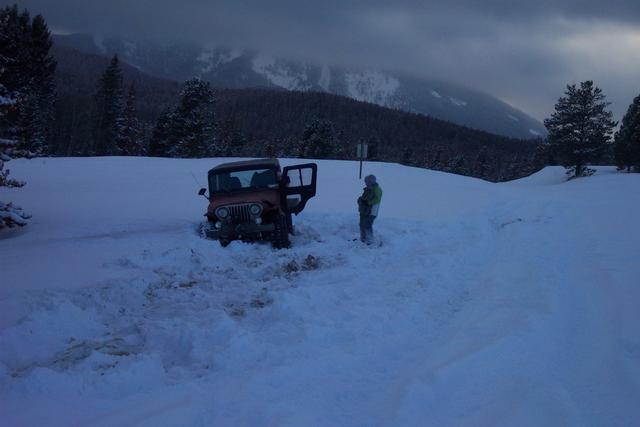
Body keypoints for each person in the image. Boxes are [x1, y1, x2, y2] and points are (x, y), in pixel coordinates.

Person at [357, 174, 383, 244]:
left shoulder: (376, 189)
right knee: (363, 224)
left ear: (371, 182)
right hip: (365, 211)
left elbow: (377, 199)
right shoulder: (368, 189)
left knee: (368, 225)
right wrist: (361, 200)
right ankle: (363, 239)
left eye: (367, 182)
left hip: (372, 211)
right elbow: (364, 198)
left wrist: (368, 202)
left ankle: (369, 240)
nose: (365, 183)